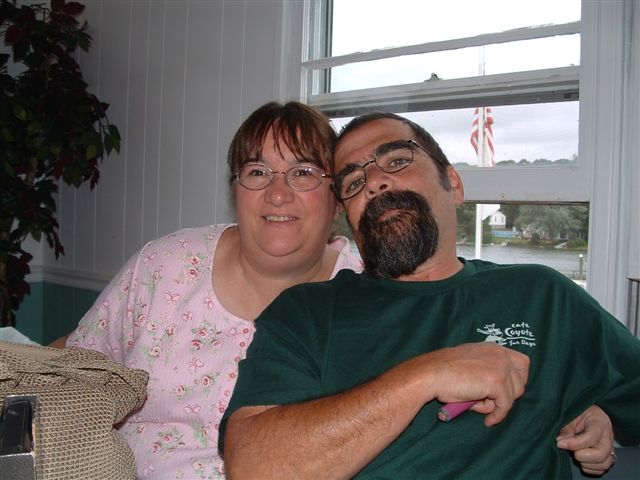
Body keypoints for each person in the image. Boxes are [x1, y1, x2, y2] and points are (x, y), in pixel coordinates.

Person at [220, 112, 640, 479]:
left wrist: (597, 408)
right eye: (353, 181)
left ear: (452, 183)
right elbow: (254, 468)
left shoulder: (541, 296)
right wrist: (426, 375)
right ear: (348, 217)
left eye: (397, 161)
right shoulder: (306, 312)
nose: (374, 182)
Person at [64, 102, 362, 478]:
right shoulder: (164, 265)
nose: (277, 193)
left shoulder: (367, 297)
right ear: (236, 191)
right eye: (257, 172)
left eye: (303, 172)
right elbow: (77, 369)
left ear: (338, 200)